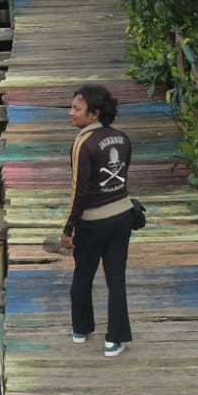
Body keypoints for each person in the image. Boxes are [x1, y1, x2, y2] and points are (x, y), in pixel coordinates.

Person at [61, 84, 133, 357]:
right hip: (122, 215)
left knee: (83, 274)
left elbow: (80, 190)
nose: (71, 113)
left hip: (93, 222)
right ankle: (114, 340)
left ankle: (81, 328)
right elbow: (123, 178)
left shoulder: (83, 143)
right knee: (116, 279)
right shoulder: (122, 138)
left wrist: (69, 227)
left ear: (94, 113)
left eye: (76, 109)